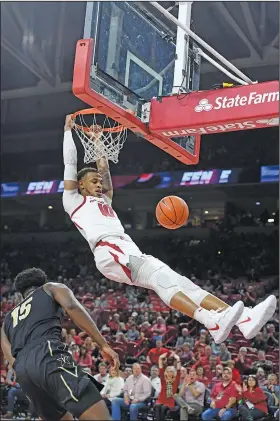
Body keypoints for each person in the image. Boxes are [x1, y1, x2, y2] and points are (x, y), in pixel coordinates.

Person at [62, 115, 276, 344]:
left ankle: (244, 319)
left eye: (98, 181)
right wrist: (68, 132)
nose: (98, 184)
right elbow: (70, 164)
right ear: (81, 184)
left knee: (183, 283)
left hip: (126, 248)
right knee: (158, 278)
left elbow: (104, 170)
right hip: (109, 251)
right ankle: (209, 320)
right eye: (93, 181)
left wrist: (97, 142)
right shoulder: (73, 200)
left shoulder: (105, 199)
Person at [1, 267, 120, 421]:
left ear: (21, 292)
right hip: (47, 353)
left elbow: (8, 353)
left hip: (23, 371)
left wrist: (27, 371)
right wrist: (103, 345)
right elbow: (72, 307)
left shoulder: (7, 320)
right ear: (42, 282)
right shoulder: (50, 287)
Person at [153, 352, 181, 421]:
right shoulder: (163, 379)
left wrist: (177, 358)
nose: (169, 373)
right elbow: (160, 364)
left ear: (174, 373)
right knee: (157, 406)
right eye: (167, 371)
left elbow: (179, 369)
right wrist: (162, 356)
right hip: (161, 399)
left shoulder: (176, 380)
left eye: (171, 371)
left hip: (169, 401)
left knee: (163, 408)